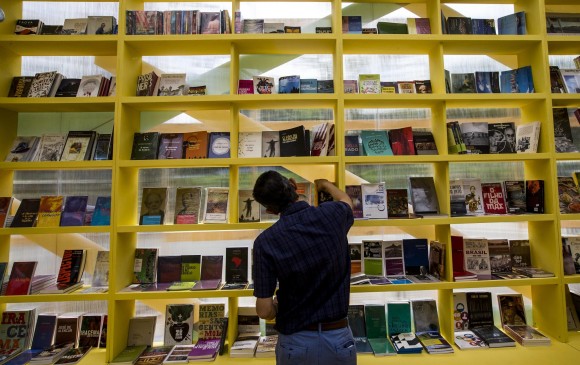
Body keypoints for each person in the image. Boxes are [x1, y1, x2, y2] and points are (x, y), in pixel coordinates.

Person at [252, 171, 356, 365]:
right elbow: (346, 201)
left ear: (271, 210)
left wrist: (275, 307)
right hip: (338, 337)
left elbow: (264, 311)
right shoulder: (332, 214)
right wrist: (325, 184)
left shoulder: (265, 242)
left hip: (295, 342)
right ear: (293, 184)